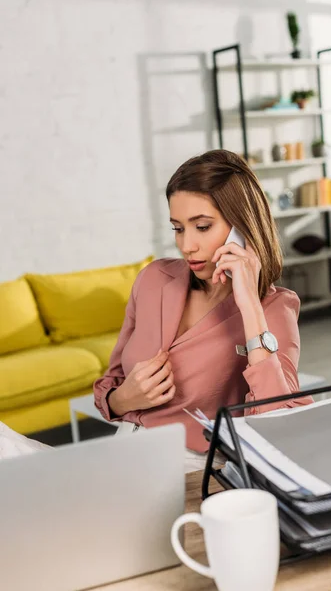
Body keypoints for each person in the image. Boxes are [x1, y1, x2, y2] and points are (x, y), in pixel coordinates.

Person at [93, 149, 312, 470]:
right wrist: (124, 399)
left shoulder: (275, 308)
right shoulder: (153, 279)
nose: (186, 246)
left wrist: (250, 305)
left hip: (192, 467)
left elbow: (279, 423)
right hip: (121, 450)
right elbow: (112, 384)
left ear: (243, 228)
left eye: (203, 226)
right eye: (178, 228)